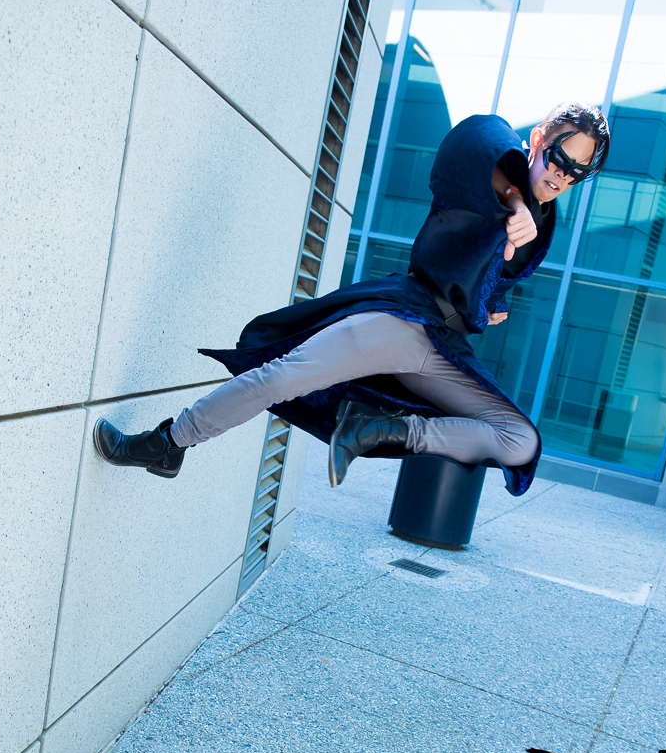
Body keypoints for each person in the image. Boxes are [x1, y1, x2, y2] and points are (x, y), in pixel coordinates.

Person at [94, 102, 610, 495]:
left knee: (521, 441)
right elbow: (476, 137)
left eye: (577, 172)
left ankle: (378, 428)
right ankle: (167, 443)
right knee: (282, 377)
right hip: (403, 320)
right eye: (560, 158)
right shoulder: (500, 165)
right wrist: (515, 201)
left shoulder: (546, 225)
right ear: (539, 140)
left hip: (442, 348)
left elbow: (482, 273)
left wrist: (487, 307)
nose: (562, 175)